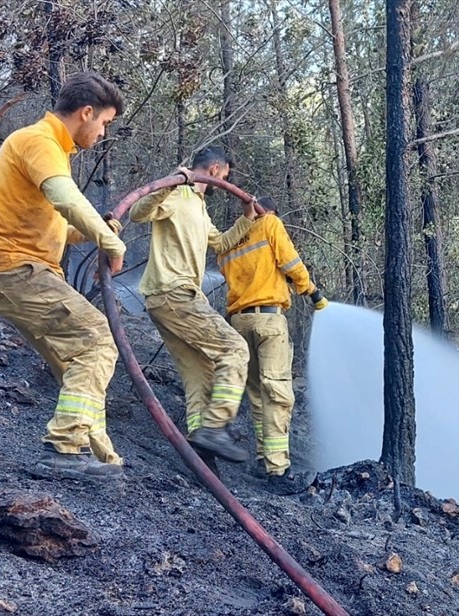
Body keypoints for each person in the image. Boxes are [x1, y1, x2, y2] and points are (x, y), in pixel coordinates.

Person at [0, 72, 128, 481]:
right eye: (105, 122)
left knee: (78, 359)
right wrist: (109, 241)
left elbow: (57, 224)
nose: (104, 131)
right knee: (97, 339)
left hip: (11, 268)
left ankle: (100, 458)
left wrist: (94, 229)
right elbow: (66, 199)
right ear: (86, 113)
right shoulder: (40, 141)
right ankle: (65, 449)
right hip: (9, 266)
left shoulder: (50, 150)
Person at [129, 146, 259, 464]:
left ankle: (201, 459)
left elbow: (221, 242)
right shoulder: (177, 194)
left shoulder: (200, 208)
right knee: (234, 349)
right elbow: (136, 213)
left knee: (200, 374)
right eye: (225, 176)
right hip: (173, 294)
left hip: (174, 299)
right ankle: (214, 429)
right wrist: (172, 182)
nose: (224, 182)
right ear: (215, 170)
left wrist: (247, 219)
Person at [216, 197, 328, 494]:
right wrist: (310, 290)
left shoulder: (230, 242)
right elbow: (290, 261)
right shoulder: (270, 223)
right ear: (269, 212)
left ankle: (264, 459)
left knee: (255, 392)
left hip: (238, 323)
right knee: (277, 392)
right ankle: (278, 470)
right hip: (268, 320)